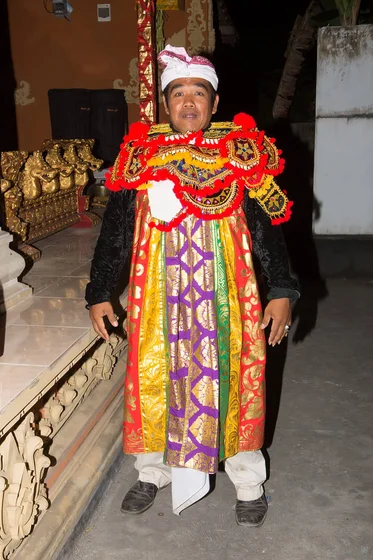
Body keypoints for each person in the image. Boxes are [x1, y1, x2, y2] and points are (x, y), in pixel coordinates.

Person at [85, 45, 299, 527]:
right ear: (164, 104)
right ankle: (154, 470)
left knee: (237, 384)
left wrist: (282, 289)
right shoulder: (139, 156)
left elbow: (267, 228)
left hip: (229, 300)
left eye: (197, 93)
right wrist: (99, 290)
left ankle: (247, 481)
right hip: (158, 301)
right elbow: (116, 231)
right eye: (177, 93)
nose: (187, 102)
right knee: (156, 380)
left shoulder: (242, 152)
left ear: (215, 102)